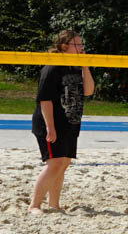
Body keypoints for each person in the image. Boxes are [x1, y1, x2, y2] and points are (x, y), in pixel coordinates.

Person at [29, 30, 95, 213]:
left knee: (63, 164)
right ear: (64, 46)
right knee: (55, 164)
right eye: (77, 44)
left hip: (70, 122)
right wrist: (50, 127)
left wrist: (85, 66)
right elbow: (45, 99)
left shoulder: (76, 66)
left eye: (81, 44)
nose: (81, 47)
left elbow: (88, 91)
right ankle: (34, 205)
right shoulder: (52, 67)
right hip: (51, 122)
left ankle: (54, 204)